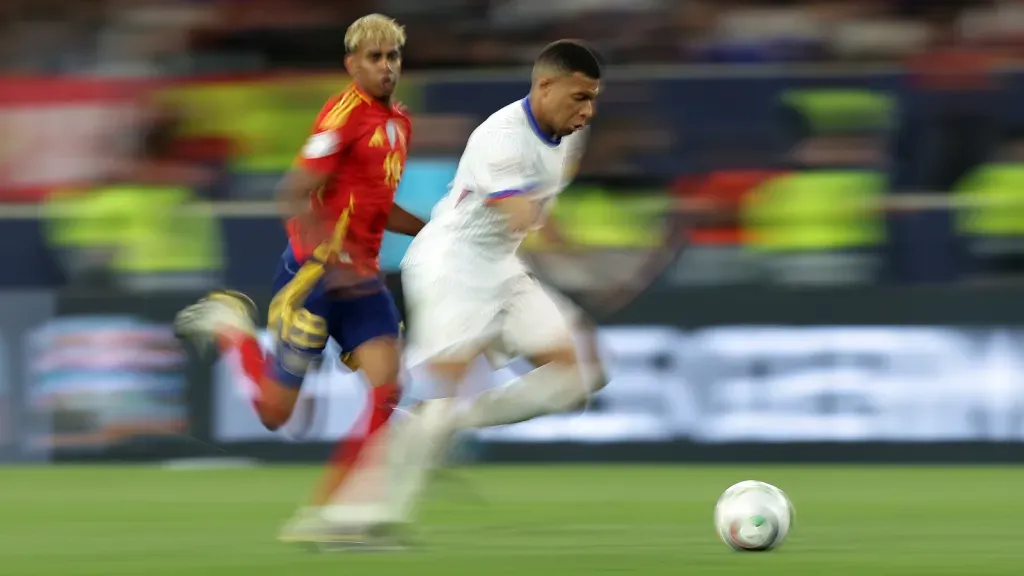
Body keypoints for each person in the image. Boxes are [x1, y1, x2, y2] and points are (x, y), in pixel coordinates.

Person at [306, 40, 611, 544]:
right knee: (442, 390)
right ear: (545, 86)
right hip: (452, 265)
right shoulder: (501, 137)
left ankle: (448, 423)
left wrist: (576, 260)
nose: (588, 110)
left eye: (593, 98)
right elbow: (520, 215)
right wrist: (585, 268)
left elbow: (534, 221)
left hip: (501, 265)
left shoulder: (571, 136)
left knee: (581, 372)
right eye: (579, 97)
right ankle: (345, 519)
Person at [173, 13, 424, 537]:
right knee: (274, 414)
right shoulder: (340, 117)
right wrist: (331, 261)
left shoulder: (399, 123)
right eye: (374, 58)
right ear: (351, 64)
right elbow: (291, 191)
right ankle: (230, 327)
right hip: (314, 276)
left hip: (363, 279)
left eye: (392, 57)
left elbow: (377, 205)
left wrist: (432, 232)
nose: (385, 67)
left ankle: (335, 513)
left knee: (389, 390)